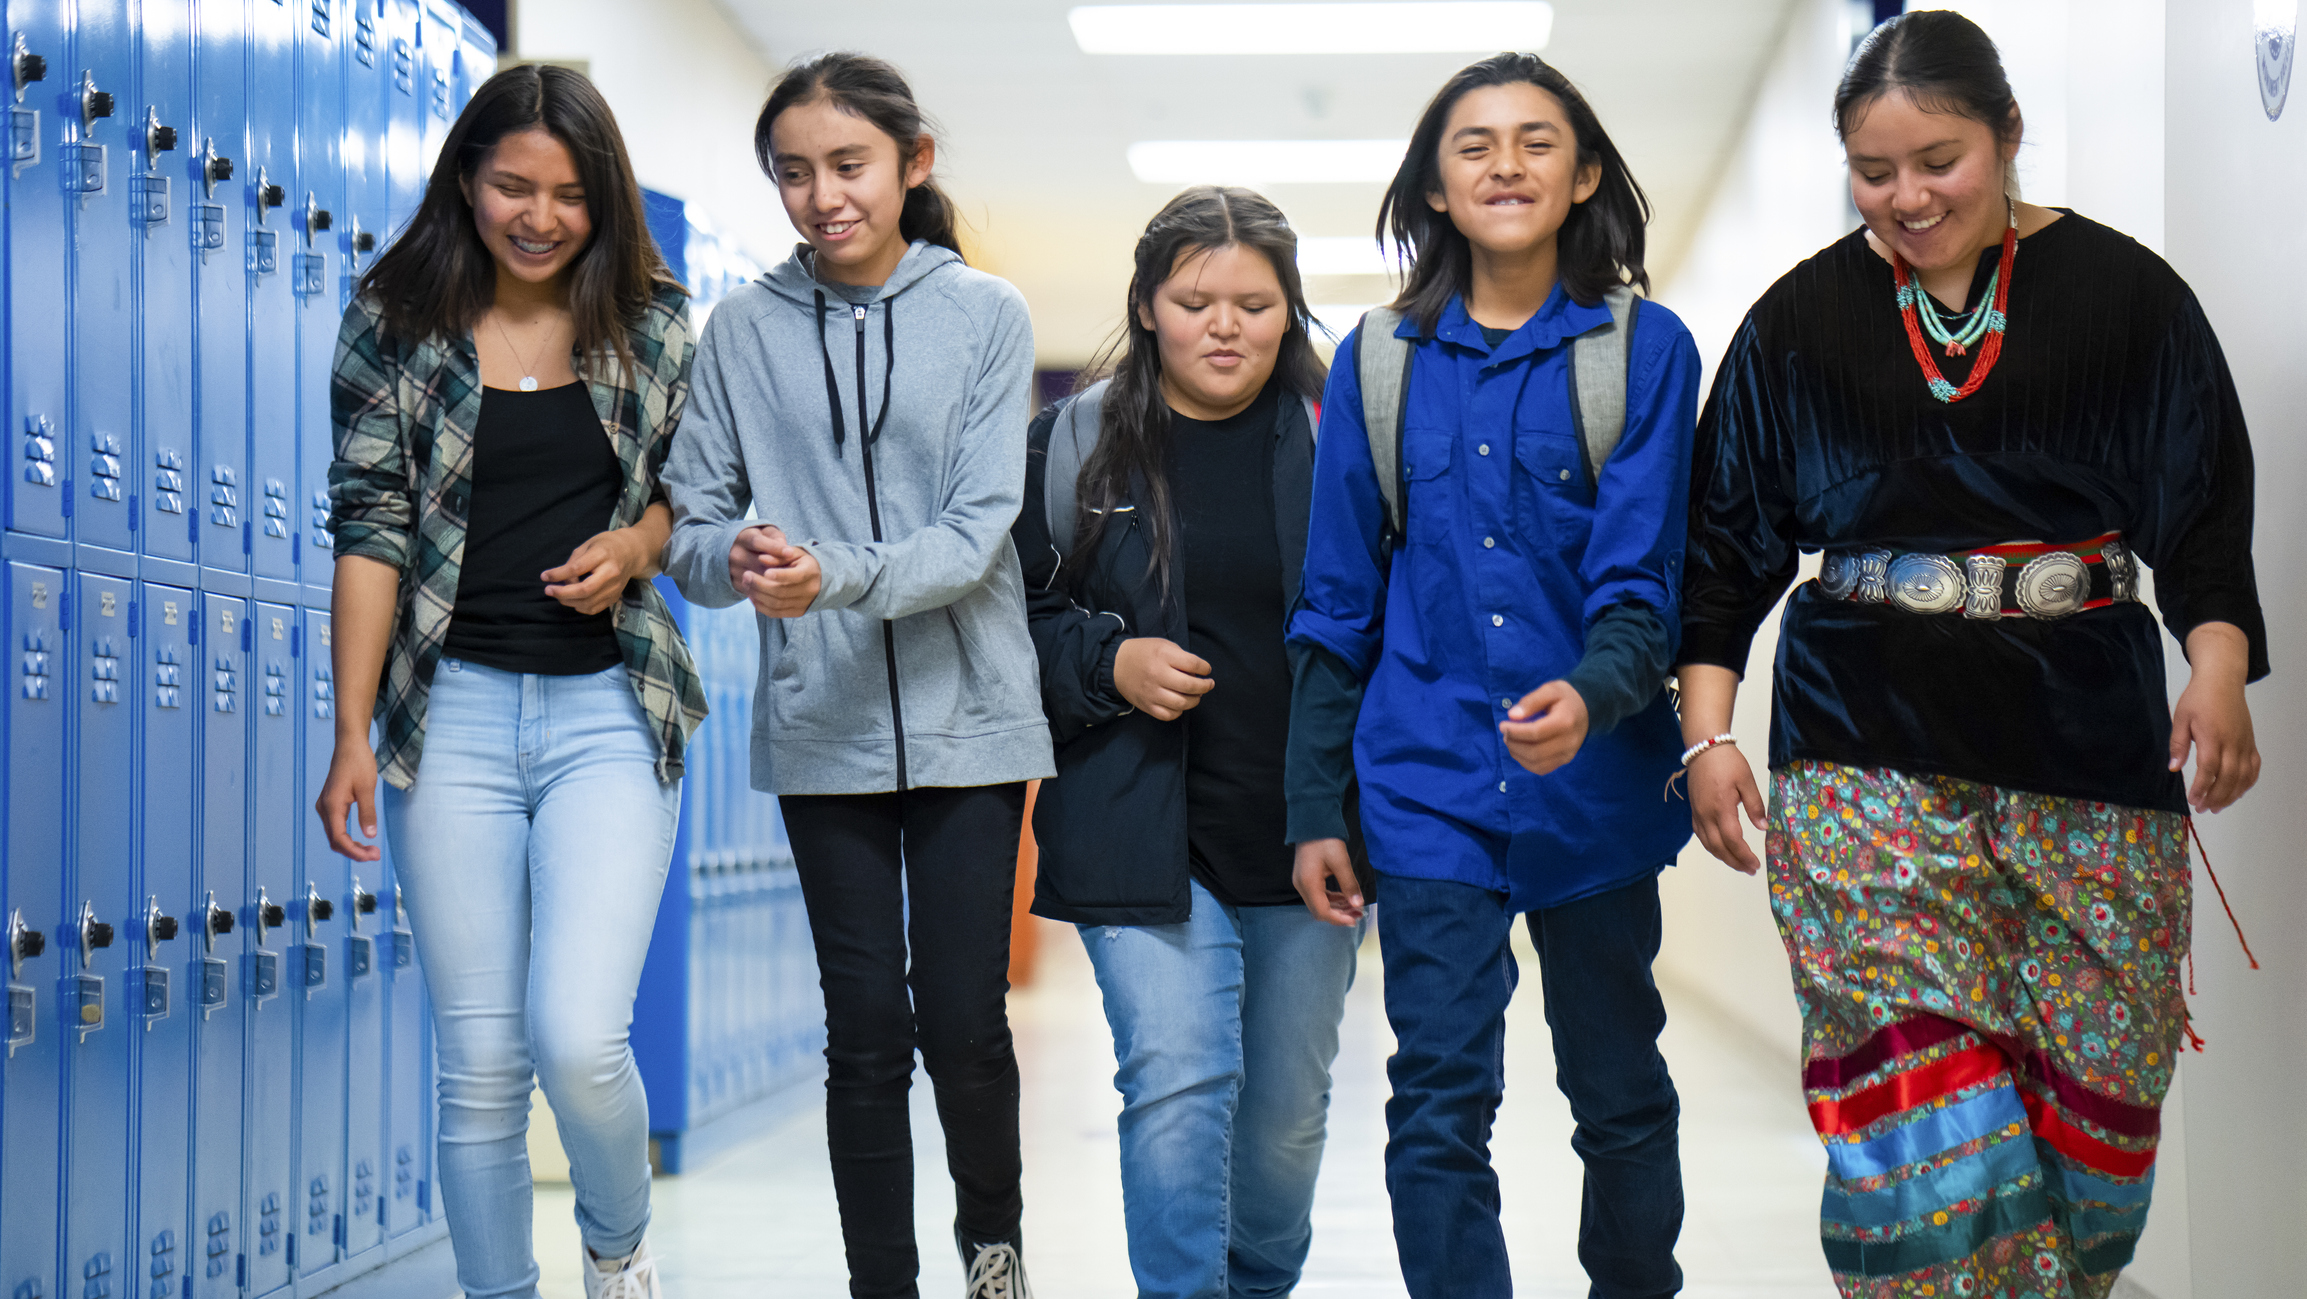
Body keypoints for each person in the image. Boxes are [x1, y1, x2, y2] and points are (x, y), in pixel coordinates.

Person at [1675, 12, 2266, 1298]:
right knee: (1922, 1125)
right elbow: (1723, 553)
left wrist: (2214, 667)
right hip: (1862, 747)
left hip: (2092, 745)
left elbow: (2205, 510)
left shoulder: (2131, 299)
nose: (1906, 197)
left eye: (1937, 161)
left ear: (2006, 136)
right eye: (1873, 172)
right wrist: (1710, 736)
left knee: (2100, 1115)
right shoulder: (1796, 324)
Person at [1287, 53, 1700, 1299]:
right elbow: (1337, 601)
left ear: (1580, 178)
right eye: (1474, 144)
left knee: (1619, 1092)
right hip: (1428, 787)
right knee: (1437, 1105)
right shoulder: (1377, 360)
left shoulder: (1642, 348)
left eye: (1535, 141)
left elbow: (1644, 584)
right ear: (1433, 183)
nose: (1505, 164)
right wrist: (1317, 806)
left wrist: (1596, 694)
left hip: (1599, 792)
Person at [658, 52, 1051, 1299]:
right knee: (866, 1032)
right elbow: (690, 528)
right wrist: (743, 557)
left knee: (965, 1024)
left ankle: (994, 1253)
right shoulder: (743, 330)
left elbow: (976, 528)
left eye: (848, 165)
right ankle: (880, 1281)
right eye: (793, 173)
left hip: (973, 720)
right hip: (820, 724)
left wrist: (834, 573)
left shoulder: (988, 316)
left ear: (910, 164)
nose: (822, 195)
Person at [314, 64, 703, 1299]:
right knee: (477, 1065)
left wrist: (637, 547)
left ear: (608, 201)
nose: (538, 216)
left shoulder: (652, 319)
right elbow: (370, 525)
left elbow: (693, 498)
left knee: (579, 1037)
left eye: (570, 195)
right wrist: (352, 733)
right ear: (465, 180)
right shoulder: (396, 316)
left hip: (607, 705)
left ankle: (615, 1243)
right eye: (511, 187)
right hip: (454, 712)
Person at [1014, 185, 1367, 1299]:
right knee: (1177, 1079)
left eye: (1255, 303)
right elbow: (1004, 627)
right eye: (1195, 299)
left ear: (1290, 312)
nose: (1226, 325)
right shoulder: (1076, 444)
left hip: (1309, 829)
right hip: (1136, 823)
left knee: (1283, 1118)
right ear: (1150, 305)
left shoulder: (1341, 446)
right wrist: (1107, 662)